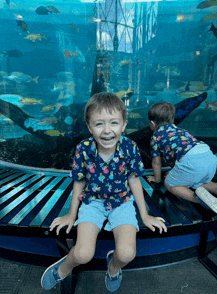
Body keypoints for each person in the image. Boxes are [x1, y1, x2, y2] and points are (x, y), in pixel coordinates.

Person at [41, 92, 167, 292]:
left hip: (122, 203)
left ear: (124, 125)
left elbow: (134, 181)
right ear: (89, 126)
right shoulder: (83, 149)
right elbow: (79, 182)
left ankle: (114, 267)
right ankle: (63, 269)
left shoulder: (129, 148)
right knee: (83, 254)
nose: (107, 130)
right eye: (99, 124)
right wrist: (72, 214)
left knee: (126, 254)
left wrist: (145, 215)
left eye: (114, 123)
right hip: (93, 203)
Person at [147, 101, 217, 214]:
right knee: (196, 181)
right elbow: (183, 151)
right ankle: (216, 188)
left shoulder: (156, 136)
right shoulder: (181, 131)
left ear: (152, 123)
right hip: (208, 155)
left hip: (192, 162)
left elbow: (156, 162)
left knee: (169, 183)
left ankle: (198, 199)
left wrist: (157, 180)